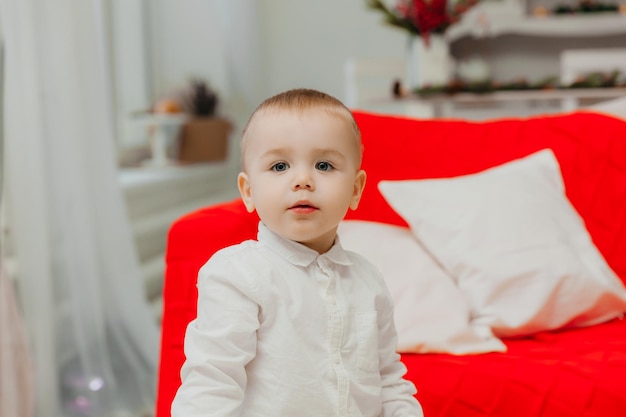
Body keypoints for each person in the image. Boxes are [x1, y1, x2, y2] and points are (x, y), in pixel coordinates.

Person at [171, 88, 424, 417]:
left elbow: (388, 379)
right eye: (279, 166)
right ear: (249, 192)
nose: (302, 180)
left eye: (323, 165)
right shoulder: (237, 275)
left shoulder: (368, 281)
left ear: (355, 189)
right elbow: (211, 383)